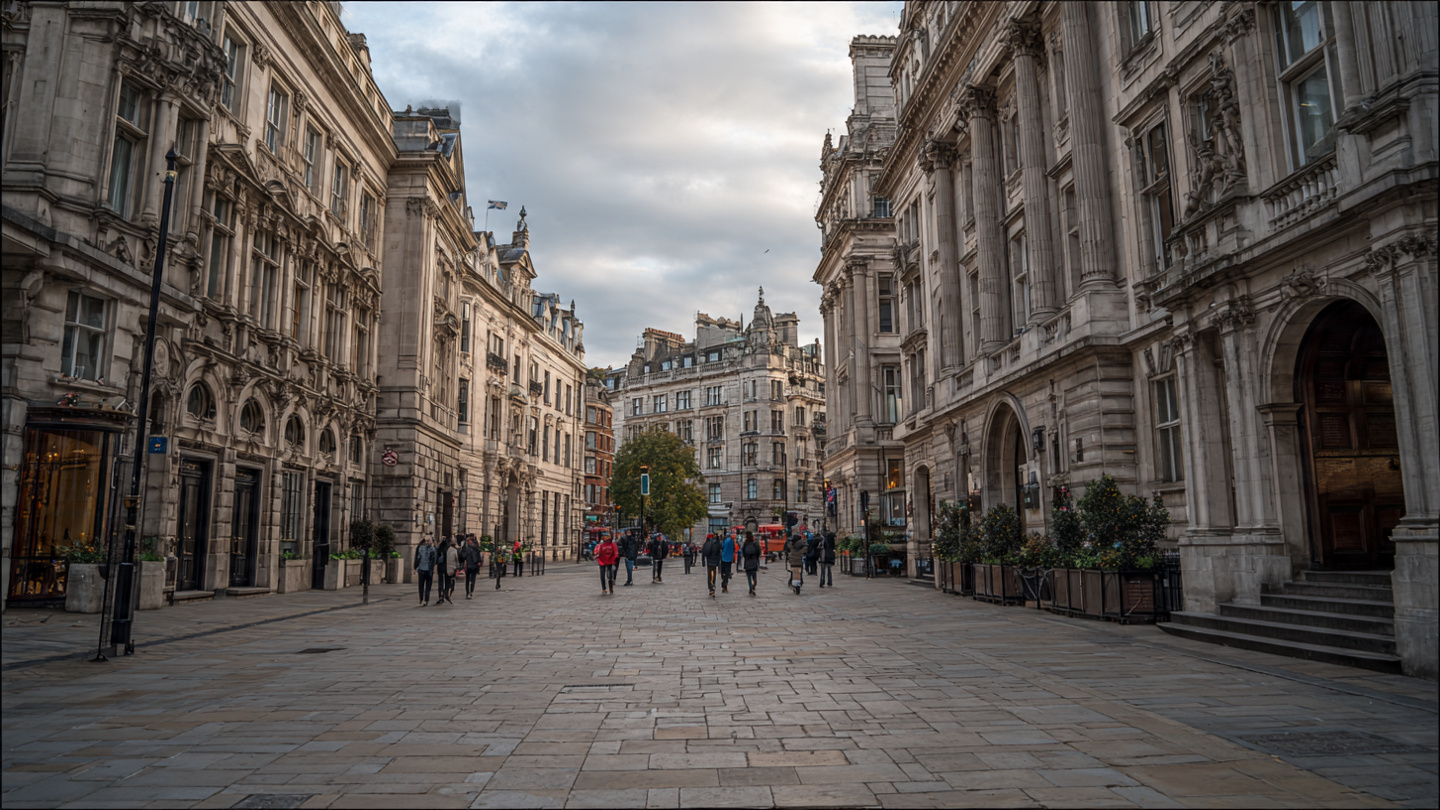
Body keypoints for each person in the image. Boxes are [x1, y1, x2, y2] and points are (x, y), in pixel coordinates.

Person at [413, 536, 436, 606]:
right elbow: (434, 560)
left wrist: (416, 567)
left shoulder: (420, 548)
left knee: (421, 585)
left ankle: (421, 599)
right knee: (428, 586)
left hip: (421, 569)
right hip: (429, 570)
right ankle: (426, 600)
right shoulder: (432, 549)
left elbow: (417, 558)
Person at [461, 534, 482, 599]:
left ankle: (471, 591)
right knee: (467, 580)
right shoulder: (465, 547)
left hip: (474, 564)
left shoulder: (475, 547)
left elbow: (478, 554)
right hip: (468, 565)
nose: (469, 541)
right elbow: (463, 556)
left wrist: (479, 561)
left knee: (473, 579)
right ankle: (468, 592)